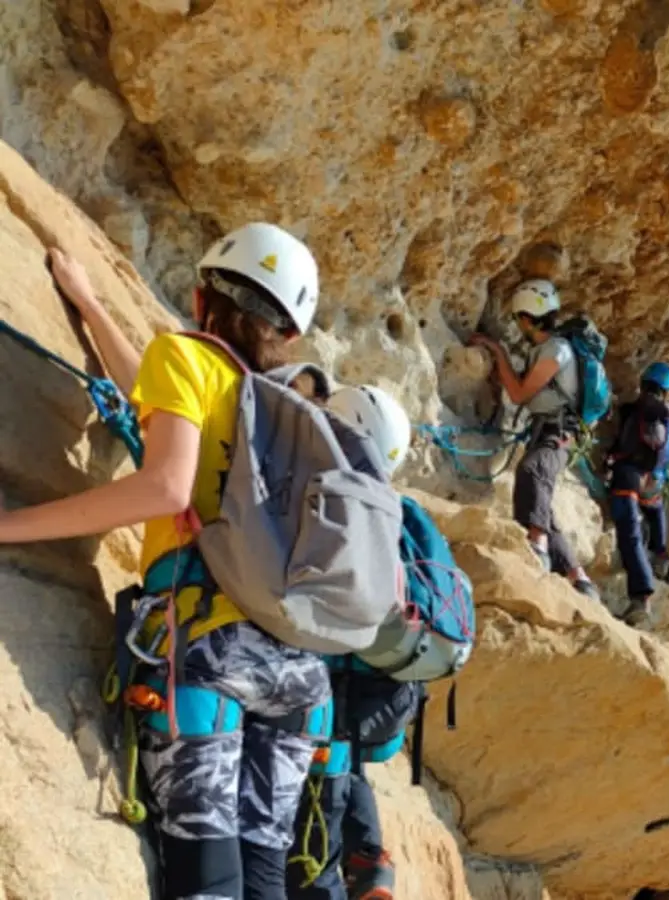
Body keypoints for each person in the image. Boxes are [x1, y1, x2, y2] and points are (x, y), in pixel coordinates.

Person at [0, 224, 333, 900]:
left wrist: (9, 526)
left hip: (209, 650)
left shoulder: (188, 360)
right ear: (288, 336)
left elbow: (166, 486)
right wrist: (91, 307)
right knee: (263, 877)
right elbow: (153, 400)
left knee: (207, 882)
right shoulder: (277, 407)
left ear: (200, 294)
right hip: (300, 677)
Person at [287, 383, 419, 900]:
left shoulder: (335, 494)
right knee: (347, 757)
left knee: (328, 773)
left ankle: (328, 882)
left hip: (335, 678)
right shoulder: (397, 510)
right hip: (388, 683)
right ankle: (370, 864)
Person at [467, 279, 598, 599]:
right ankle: (578, 579)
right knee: (541, 502)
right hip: (549, 427)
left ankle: (537, 547)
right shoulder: (547, 349)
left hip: (561, 431)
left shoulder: (556, 350)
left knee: (532, 471)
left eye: (517, 319)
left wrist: (497, 352)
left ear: (526, 318)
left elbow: (520, 392)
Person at [605, 362, 669, 624]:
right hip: (655, 481)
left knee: (630, 533)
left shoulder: (635, 409)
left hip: (628, 475)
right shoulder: (668, 417)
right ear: (667, 391)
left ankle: (641, 597)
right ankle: (660, 555)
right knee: (655, 509)